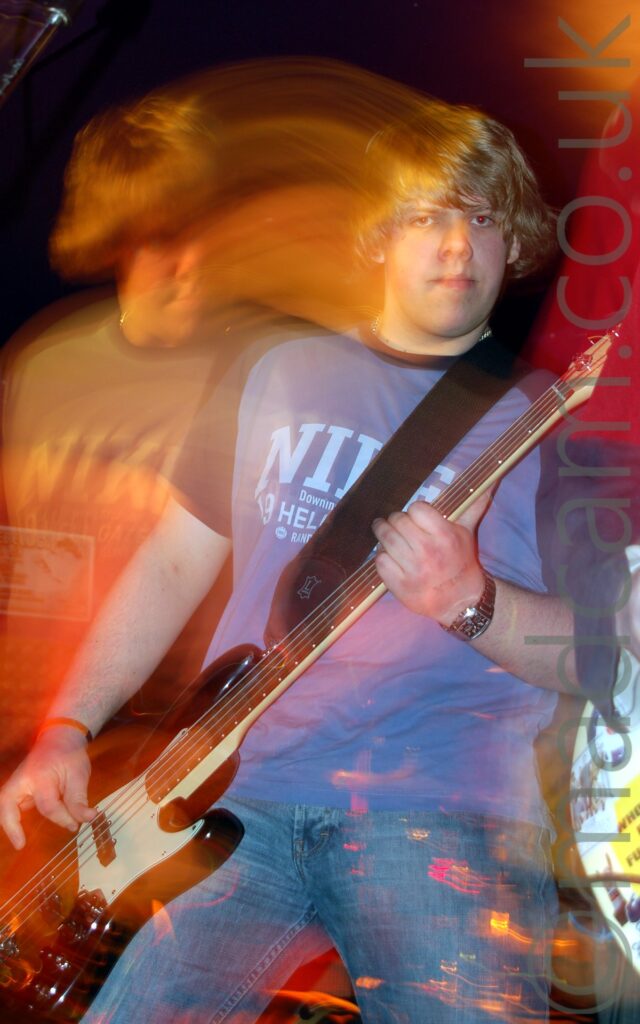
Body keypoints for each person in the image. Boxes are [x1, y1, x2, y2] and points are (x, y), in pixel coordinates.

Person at [0, 95, 585, 1023]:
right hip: (235, 810)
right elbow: (171, 563)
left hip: (446, 810)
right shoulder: (273, 370)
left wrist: (474, 602)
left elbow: (599, 647)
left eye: (480, 218)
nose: (454, 246)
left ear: (511, 242)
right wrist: (68, 723)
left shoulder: (558, 421)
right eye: (426, 216)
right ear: (378, 238)